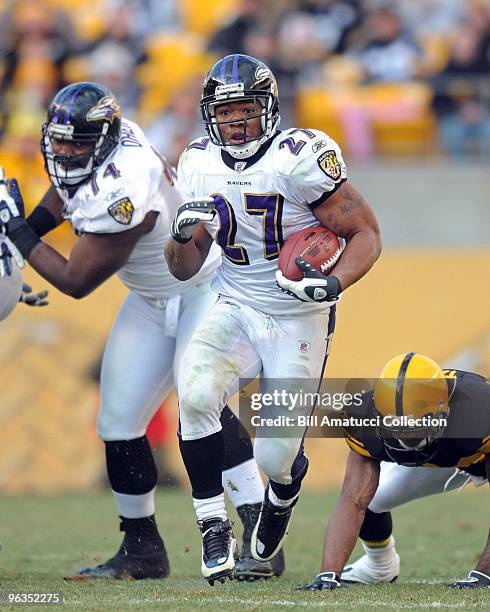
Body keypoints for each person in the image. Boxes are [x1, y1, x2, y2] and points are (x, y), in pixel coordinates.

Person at [0, 81, 284, 581]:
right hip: (152, 298)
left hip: (202, 287)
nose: (65, 153)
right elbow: (66, 191)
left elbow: (76, 281)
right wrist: (27, 227)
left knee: (203, 403)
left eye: (77, 144)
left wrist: (16, 232)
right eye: (59, 142)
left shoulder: (125, 184)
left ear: (105, 140)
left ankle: (261, 538)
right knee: (117, 421)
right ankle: (143, 550)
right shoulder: (99, 145)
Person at [164, 53, 381, 584]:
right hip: (234, 301)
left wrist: (330, 284)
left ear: (269, 107)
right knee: (194, 392)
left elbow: (367, 235)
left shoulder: (298, 157)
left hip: (299, 314)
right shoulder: (197, 163)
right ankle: (212, 521)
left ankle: (283, 489)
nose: (237, 121)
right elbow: (183, 267)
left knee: (274, 455)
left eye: (246, 109)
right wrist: (177, 234)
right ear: (211, 114)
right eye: (227, 111)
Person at [302, 352, 490, 591]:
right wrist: (327, 575)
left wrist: (484, 575)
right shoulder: (363, 416)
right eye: (395, 427)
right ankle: (379, 565)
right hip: (436, 458)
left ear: (444, 410)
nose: (406, 436)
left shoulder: (479, 412)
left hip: (475, 454)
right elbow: (353, 498)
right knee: (370, 501)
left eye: (417, 427)